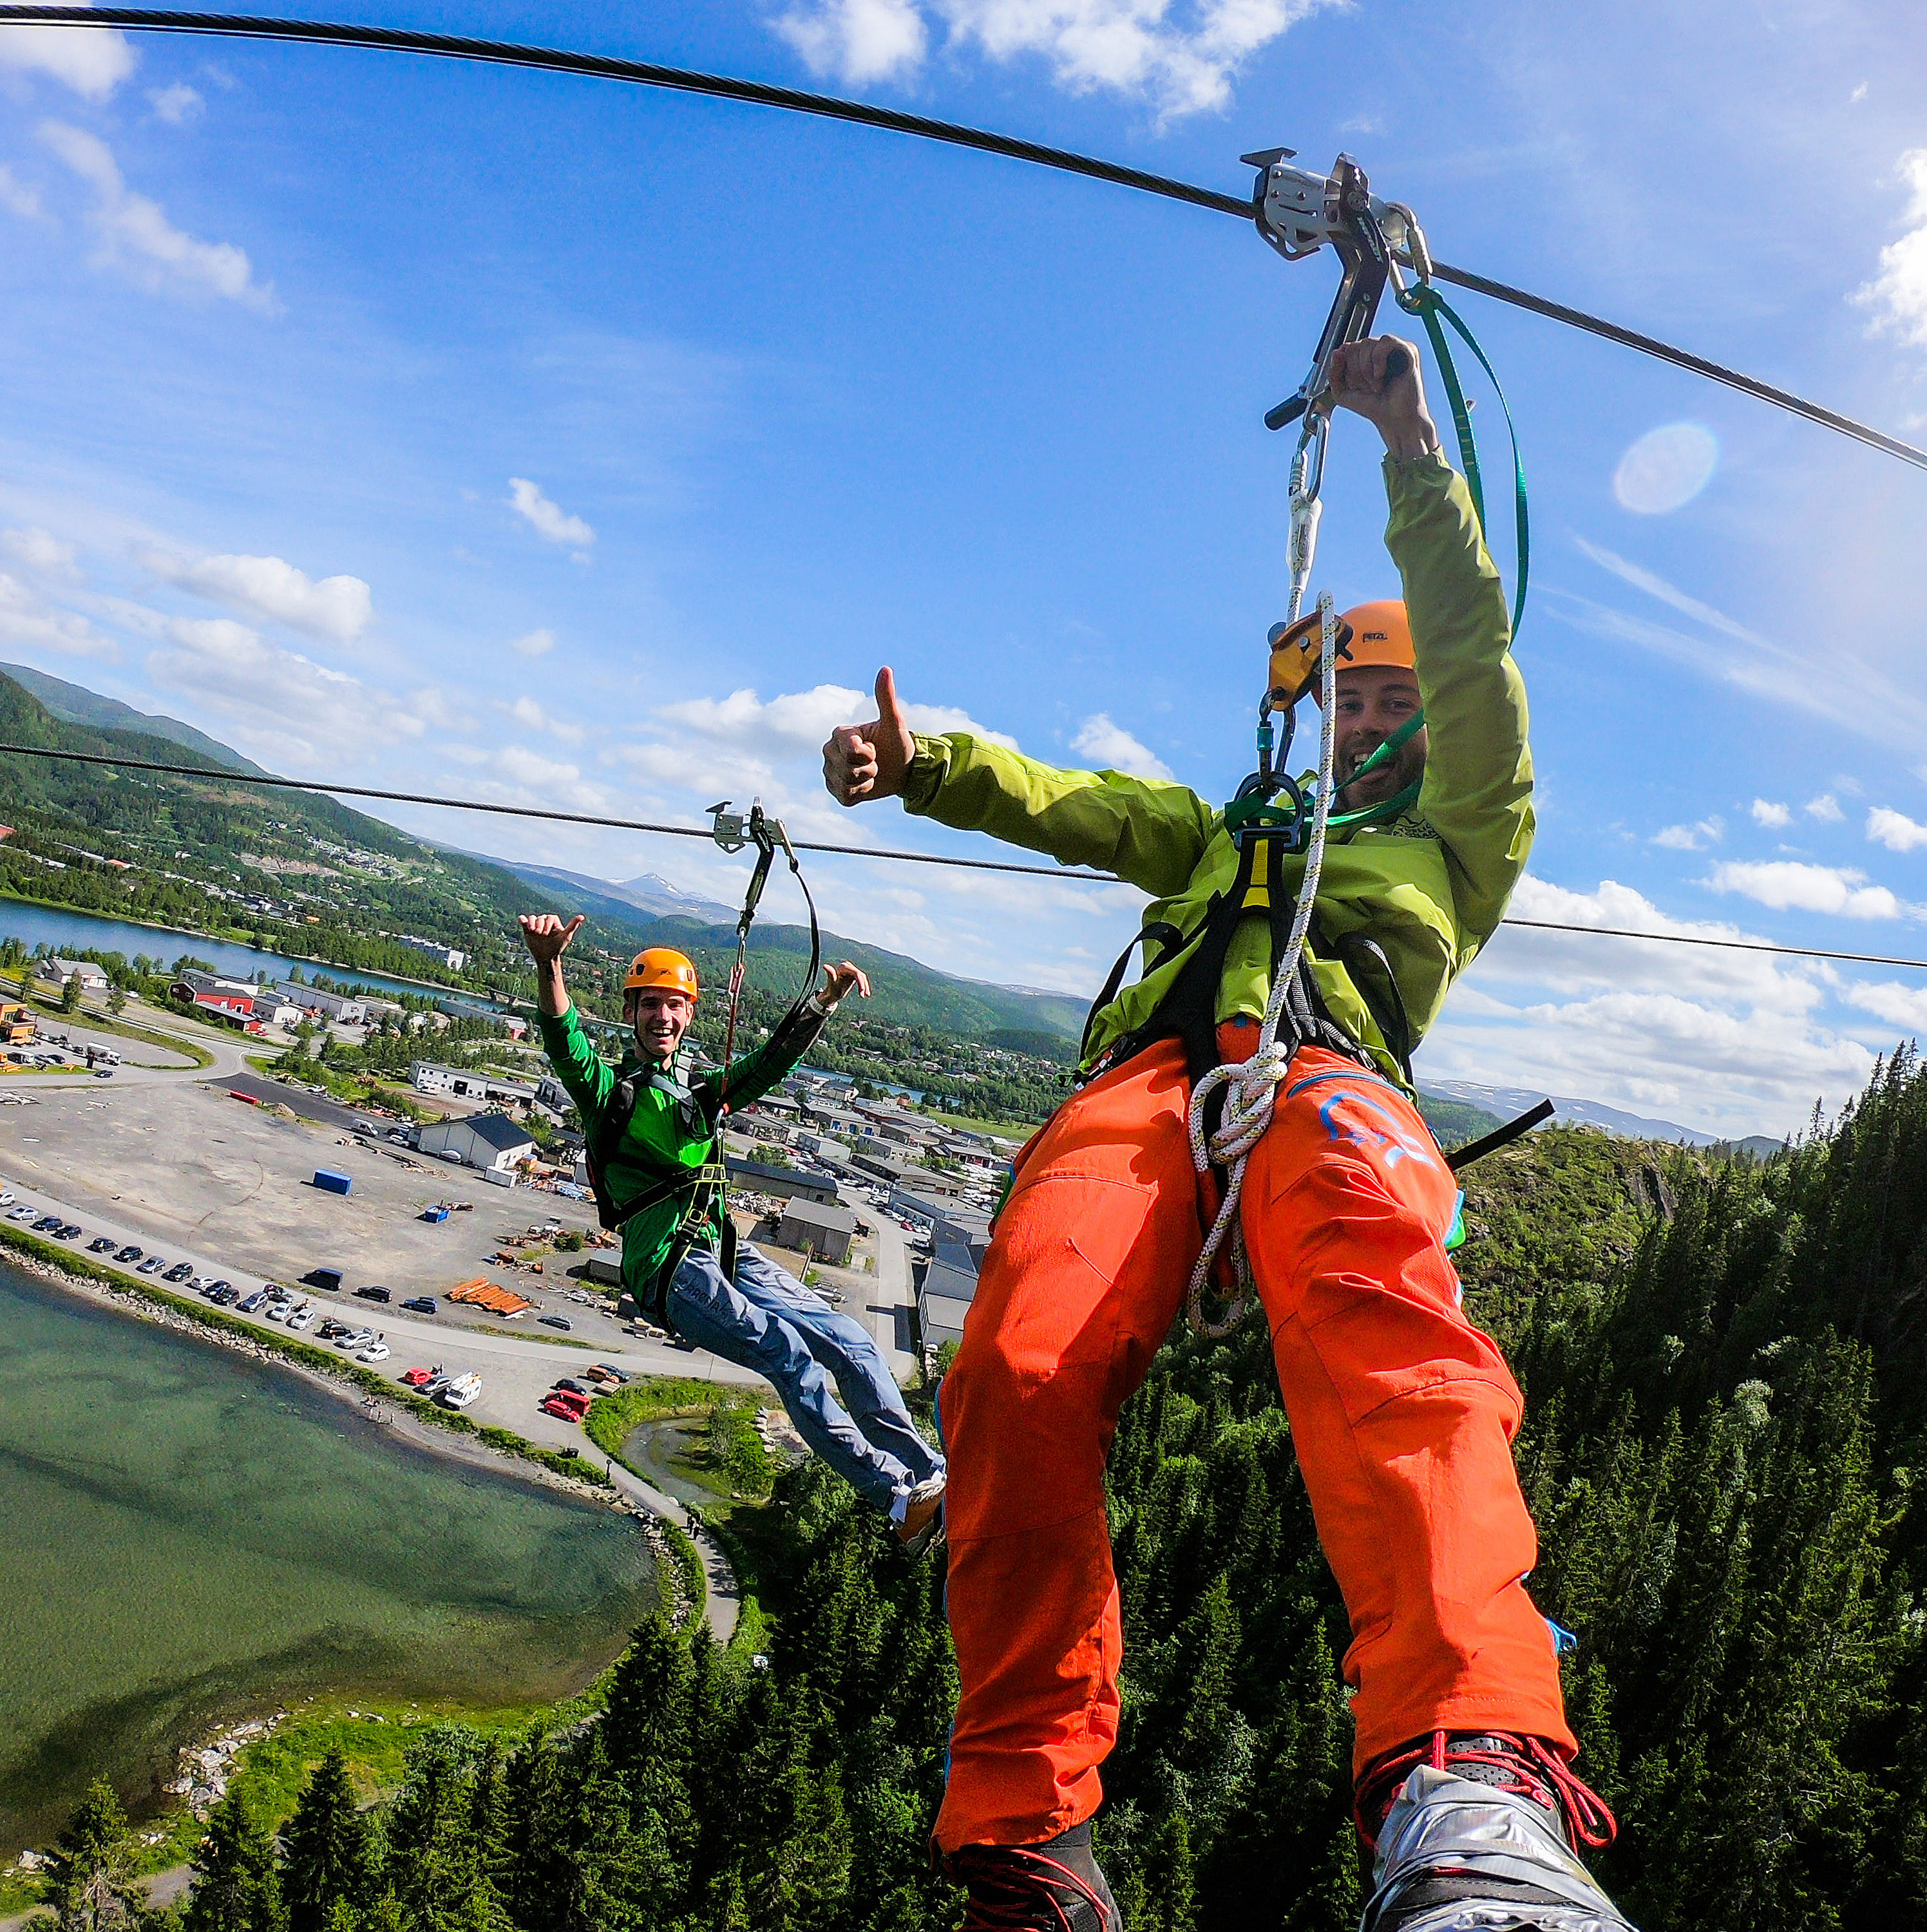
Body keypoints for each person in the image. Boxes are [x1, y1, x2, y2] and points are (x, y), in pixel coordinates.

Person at [823, 337, 1635, 1931]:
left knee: (1381, 1322)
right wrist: (928, 769)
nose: (1372, 722)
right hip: (1147, 1090)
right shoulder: (1227, 830)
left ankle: (1470, 1766)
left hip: (1327, 1069)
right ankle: (1026, 1831)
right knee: (1013, 1365)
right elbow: (1073, 803)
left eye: (1394, 701)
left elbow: (1477, 661)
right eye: (1355, 700)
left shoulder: (1465, 841)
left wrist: (1408, 447)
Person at [520, 915, 946, 1551]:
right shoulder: (612, 1094)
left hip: (723, 1252)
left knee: (852, 1341)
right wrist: (549, 964)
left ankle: (928, 1477)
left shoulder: (700, 1093)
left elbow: (764, 1068)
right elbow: (565, 1040)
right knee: (789, 1356)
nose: (663, 1016)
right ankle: (893, 1497)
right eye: (651, 1005)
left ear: (688, 1016)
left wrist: (822, 1003)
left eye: (675, 1005)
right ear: (633, 1013)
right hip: (671, 1268)